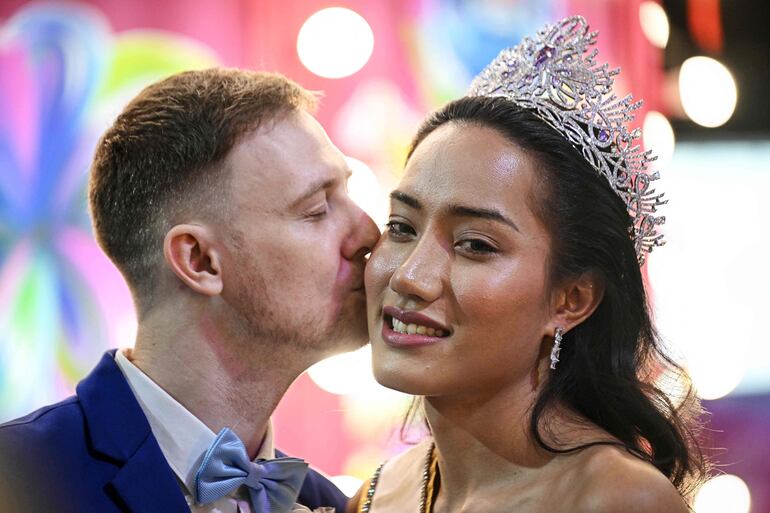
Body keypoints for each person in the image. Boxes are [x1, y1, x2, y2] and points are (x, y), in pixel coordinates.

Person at [352, 16, 707, 513]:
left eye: (475, 244)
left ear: (572, 300)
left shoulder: (615, 500)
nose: (410, 275)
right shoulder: (379, 494)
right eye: (401, 227)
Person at [0, 68, 380, 513]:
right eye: (317, 210)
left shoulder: (325, 500)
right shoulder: (18, 478)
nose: (369, 234)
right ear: (199, 260)